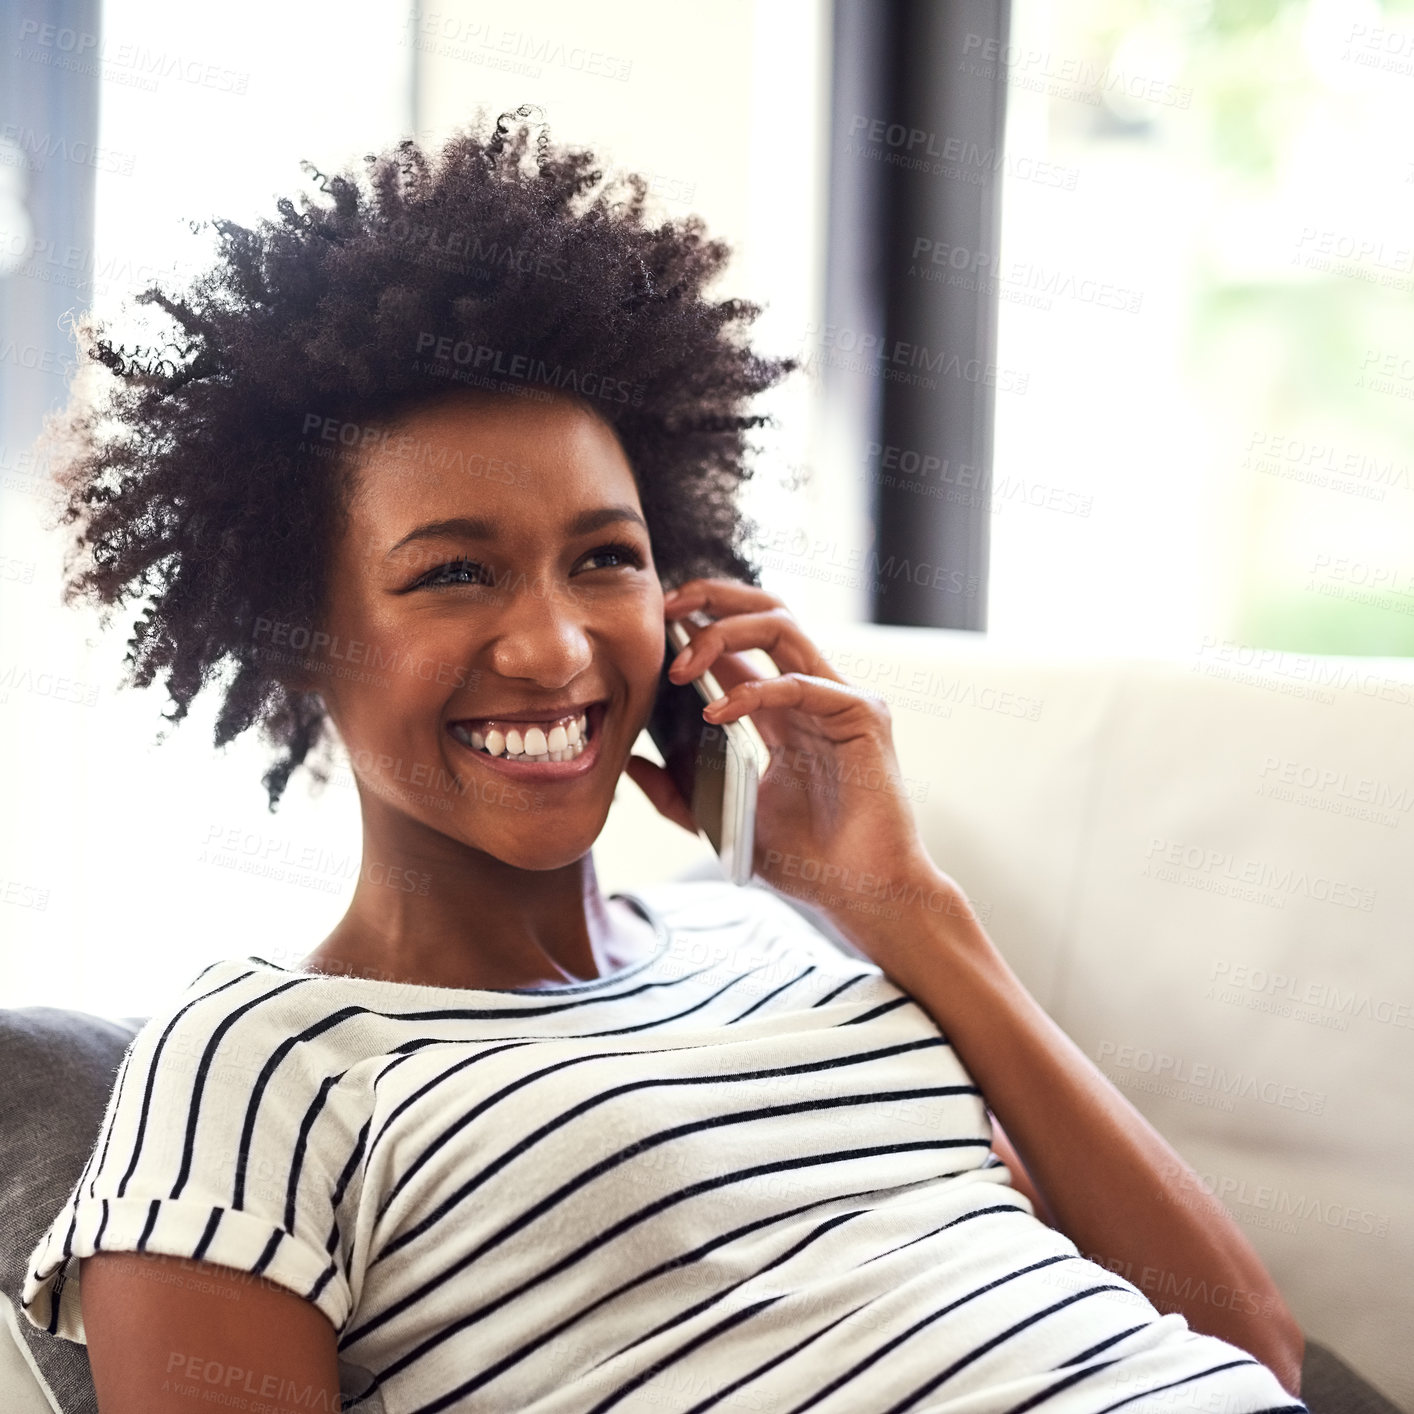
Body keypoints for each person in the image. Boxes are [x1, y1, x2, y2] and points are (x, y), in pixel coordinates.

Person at [21, 112, 1306, 1414]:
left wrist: (901, 903)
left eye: (606, 556)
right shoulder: (253, 1061)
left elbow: (1248, 1343)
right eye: (454, 572)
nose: (554, 643)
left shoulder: (797, 954)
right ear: (291, 637)